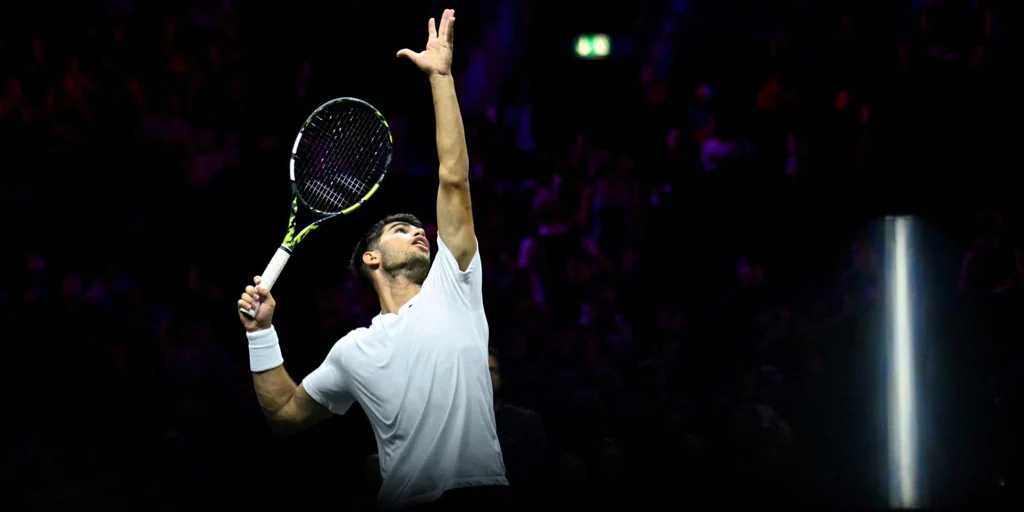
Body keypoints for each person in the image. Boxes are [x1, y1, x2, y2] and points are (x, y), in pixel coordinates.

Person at [236, 9, 508, 510]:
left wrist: (442, 80)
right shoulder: (352, 351)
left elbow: (453, 178)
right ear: (371, 258)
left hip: (479, 495)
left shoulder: (456, 287)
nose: (419, 233)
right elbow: (287, 414)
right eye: (400, 230)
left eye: (418, 227)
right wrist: (260, 335)